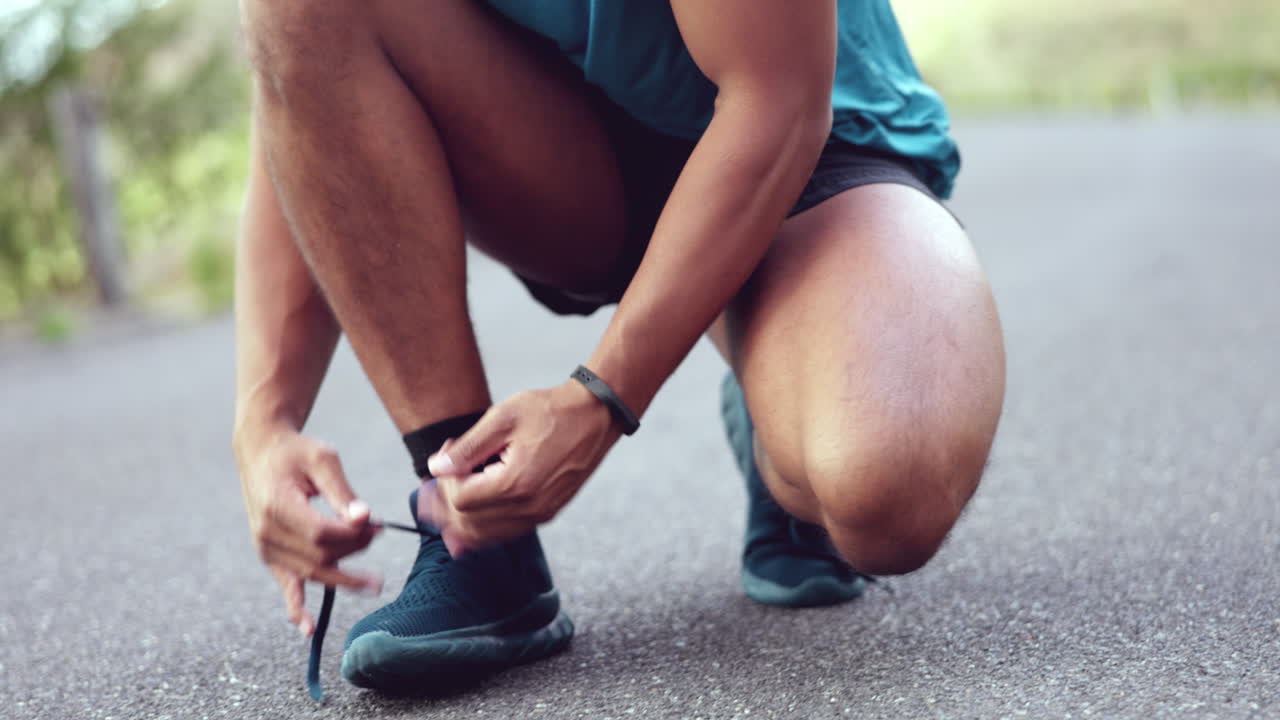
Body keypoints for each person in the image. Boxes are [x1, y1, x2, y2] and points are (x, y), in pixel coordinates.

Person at [232, 0, 1006, 696]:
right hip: (571, 151)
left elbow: (778, 103)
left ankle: (777, 393)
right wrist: (264, 424)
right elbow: (306, 69)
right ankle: (473, 531)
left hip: (809, 136)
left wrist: (602, 396)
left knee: (887, 491)